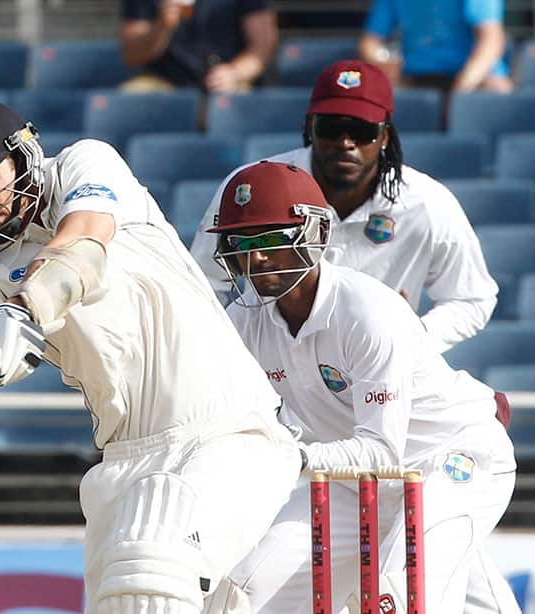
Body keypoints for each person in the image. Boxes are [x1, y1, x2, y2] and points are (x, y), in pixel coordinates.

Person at [0, 97, 302, 613]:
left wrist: (26, 309)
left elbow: (84, 242)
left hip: (228, 432)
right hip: (123, 459)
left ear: (24, 151)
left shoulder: (85, 164)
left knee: (150, 577)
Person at [207, 160, 518, 612]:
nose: (256, 258)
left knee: (402, 593)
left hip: (449, 460)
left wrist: (292, 457)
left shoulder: (367, 311)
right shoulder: (242, 322)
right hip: (350, 482)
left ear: (312, 235)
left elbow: (382, 451)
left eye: (271, 240)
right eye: (242, 243)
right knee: (241, 593)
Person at [190, 60, 498, 354]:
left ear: (385, 136)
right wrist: (230, 353)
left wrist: (415, 340)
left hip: (381, 376)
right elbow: (201, 283)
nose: (345, 142)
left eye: (362, 130)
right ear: (310, 127)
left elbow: (472, 298)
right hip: (274, 376)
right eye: (331, 128)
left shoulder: (426, 203)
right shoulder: (253, 186)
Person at [120, 0, 278, 93]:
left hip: (228, 80)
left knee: (234, 106)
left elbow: (263, 47)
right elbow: (132, 55)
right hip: (164, 82)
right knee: (130, 97)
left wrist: (235, 73)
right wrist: (161, 26)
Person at [358, 0, 514, 94]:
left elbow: (491, 40)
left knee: (496, 91)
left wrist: (461, 92)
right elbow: (370, 42)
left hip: (474, 80)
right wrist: (384, 60)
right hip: (414, 78)